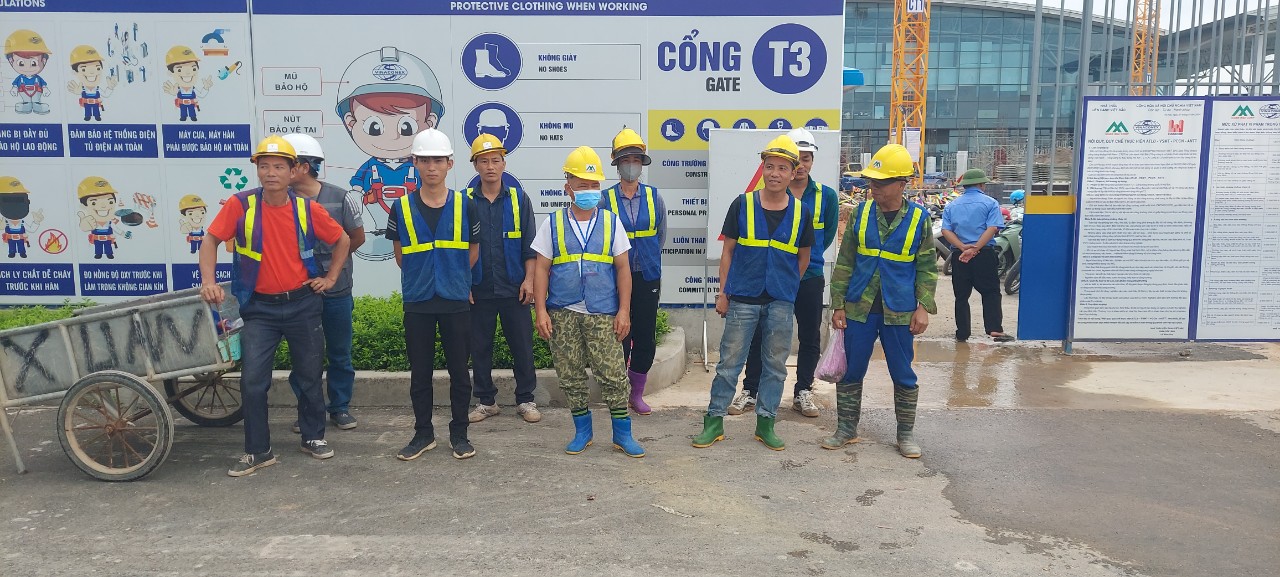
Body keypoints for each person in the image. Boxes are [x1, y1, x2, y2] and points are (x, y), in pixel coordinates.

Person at [198, 135, 351, 477]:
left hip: (302, 305)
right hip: (259, 310)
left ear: (293, 171)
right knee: (253, 381)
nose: (270, 173)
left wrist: (330, 278)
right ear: (257, 170)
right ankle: (258, 451)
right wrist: (209, 281)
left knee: (309, 376)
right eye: (264, 166)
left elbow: (342, 239)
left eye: (279, 167)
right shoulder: (241, 205)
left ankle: (313, 437)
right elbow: (210, 239)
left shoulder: (306, 209)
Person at [692, 136, 814, 451]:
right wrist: (723, 292)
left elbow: (803, 257)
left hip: (780, 301)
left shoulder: (801, 213)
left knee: (775, 366)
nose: (775, 173)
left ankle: (766, 423)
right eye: (770, 166)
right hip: (743, 298)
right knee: (729, 364)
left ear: (793, 173)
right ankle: (714, 422)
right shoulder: (742, 204)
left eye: (782, 168)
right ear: (762, 168)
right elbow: (728, 253)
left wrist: (788, 286)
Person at [823, 143, 937, 458]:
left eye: (882, 182)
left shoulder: (919, 218)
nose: (874, 187)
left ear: (902, 184)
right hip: (859, 308)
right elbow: (845, 262)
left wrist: (923, 307)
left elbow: (927, 267)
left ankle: (905, 434)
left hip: (900, 310)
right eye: (872, 181)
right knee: (850, 370)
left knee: (903, 372)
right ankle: (846, 428)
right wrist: (838, 304)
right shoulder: (859, 214)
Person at [532, 146, 645, 458]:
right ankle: (583, 431)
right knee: (570, 375)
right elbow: (541, 269)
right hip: (563, 312)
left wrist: (624, 311)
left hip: (603, 312)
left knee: (613, 374)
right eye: (582, 185)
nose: (589, 191)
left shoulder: (611, 222)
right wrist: (540, 310)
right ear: (568, 187)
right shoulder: (552, 223)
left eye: (594, 185)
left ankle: (623, 435)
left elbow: (623, 269)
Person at [385, 129, 482, 461]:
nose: (431, 167)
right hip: (418, 299)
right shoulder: (400, 208)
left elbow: (472, 252)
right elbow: (400, 255)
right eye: (425, 160)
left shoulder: (466, 205)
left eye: (438, 160)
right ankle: (423, 434)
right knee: (420, 373)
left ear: (449, 164)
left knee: (459, 372)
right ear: (414, 163)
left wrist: (455, 277)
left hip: (455, 299)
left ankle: (460, 434)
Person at [731, 128, 839, 419]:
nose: (801, 164)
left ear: (812, 161)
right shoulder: (772, 192)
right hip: (770, 278)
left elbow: (826, 235)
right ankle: (750, 389)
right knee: (760, 335)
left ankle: (803, 390)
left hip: (809, 276)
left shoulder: (827, 197)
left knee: (809, 335)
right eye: (797, 158)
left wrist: (802, 263)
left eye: (807, 158)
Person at [282, 133, 367, 432]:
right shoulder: (278, 200)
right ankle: (308, 409)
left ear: (303, 167)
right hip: (297, 293)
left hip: (337, 290)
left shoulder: (340, 197)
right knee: (303, 355)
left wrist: (332, 269)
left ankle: (340, 408)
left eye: (286, 164)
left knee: (339, 353)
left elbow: (356, 238)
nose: (277, 170)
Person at [463, 134, 541, 424]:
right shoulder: (464, 201)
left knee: (522, 347)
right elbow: (458, 247)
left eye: (495, 160)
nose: (490, 166)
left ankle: (526, 399)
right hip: (478, 288)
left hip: (514, 288)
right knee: (479, 348)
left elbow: (529, 246)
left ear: (504, 164)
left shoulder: (519, 199)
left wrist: (529, 281)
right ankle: (486, 401)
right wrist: (464, 283)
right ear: (475, 165)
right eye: (484, 161)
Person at [599, 128, 665, 415]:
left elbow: (660, 236)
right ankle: (617, 391)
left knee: (645, 336)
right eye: (626, 159)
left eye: (636, 159)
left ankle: (636, 394)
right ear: (616, 163)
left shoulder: (654, 197)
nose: (631, 164)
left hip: (647, 275)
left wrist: (646, 259)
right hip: (614, 278)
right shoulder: (604, 200)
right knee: (618, 334)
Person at [940, 169, 1013, 342]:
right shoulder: (990, 203)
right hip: (984, 254)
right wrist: (976, 248)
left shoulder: (952, 205)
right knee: (991, 292)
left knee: (961, 296)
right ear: (981, 184)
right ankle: (994, 329)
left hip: (959, 255)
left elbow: (945, 230)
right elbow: (992, 228)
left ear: (964, 186)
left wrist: (963, 247)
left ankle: (962, 333)